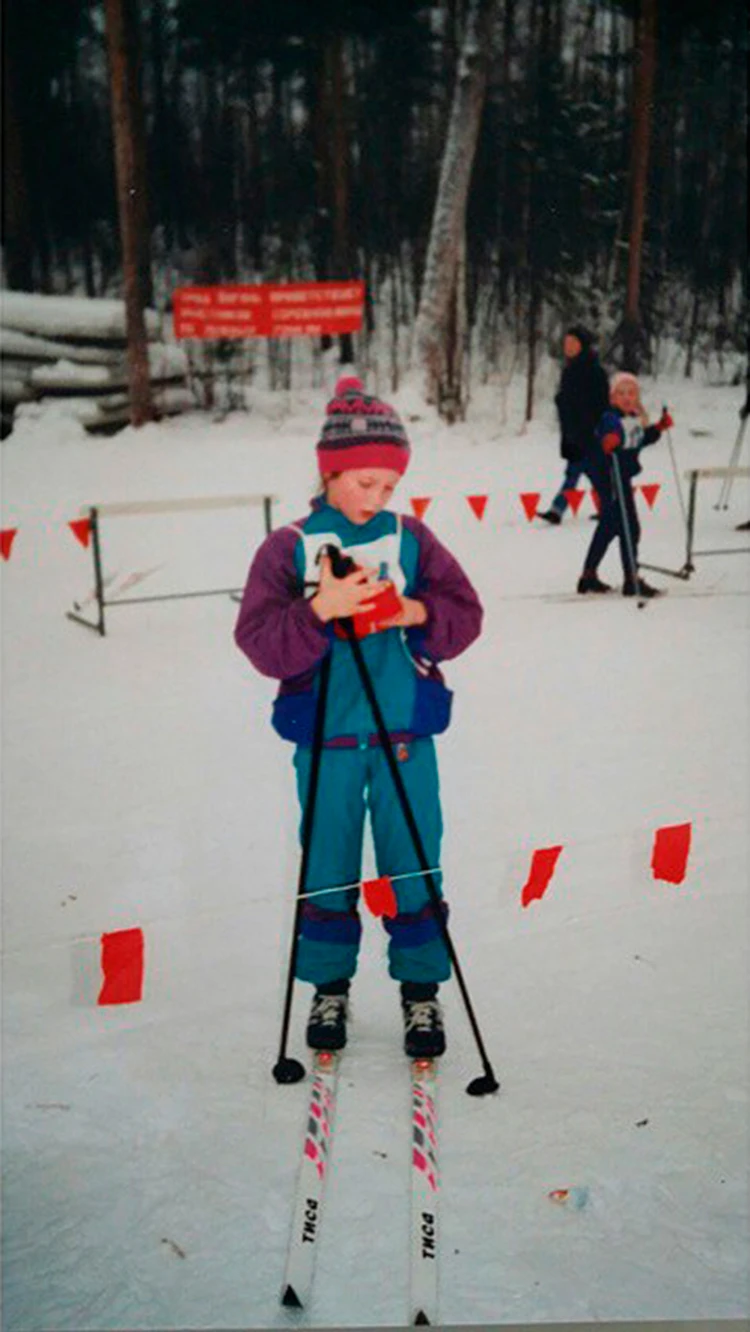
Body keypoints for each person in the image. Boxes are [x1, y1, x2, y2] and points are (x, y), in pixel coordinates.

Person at [234, 376, 483, 1060]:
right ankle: (328, 984)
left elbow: (466, 613)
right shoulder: (286, 546)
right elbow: (257, 640)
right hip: (326, 734)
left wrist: (416, 612)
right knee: (331, 861)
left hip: (404, 731)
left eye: (388, 487)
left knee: (412, 858)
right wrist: (319, 609)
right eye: (365, 483)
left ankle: (421, 990)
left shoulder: (411, 537)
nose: (377, 499)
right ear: (331, 470)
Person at [577, 371, 673, 597]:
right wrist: (608, 442)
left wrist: (658, 428)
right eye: (621, 393)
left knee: (610, 526)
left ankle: (588, 576)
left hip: (621, 476)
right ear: (612, 398)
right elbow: (606, 435)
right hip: (609, 476)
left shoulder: (632, 418)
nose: (627, 397)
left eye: (631, 393)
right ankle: (631, 579)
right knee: (629, 526)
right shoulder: (610, 417)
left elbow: (638, 438)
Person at [538, 324, 611, 525]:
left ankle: (558, 509)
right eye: (566, 343)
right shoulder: (569, 370)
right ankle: (608, 507)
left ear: (582, 345)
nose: (568, 347)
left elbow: (601, 402)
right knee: (589, 472)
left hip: (590, 431)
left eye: (572, 343)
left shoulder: (594, 371)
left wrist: (595, 426)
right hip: (573, 431)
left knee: (576, 471)